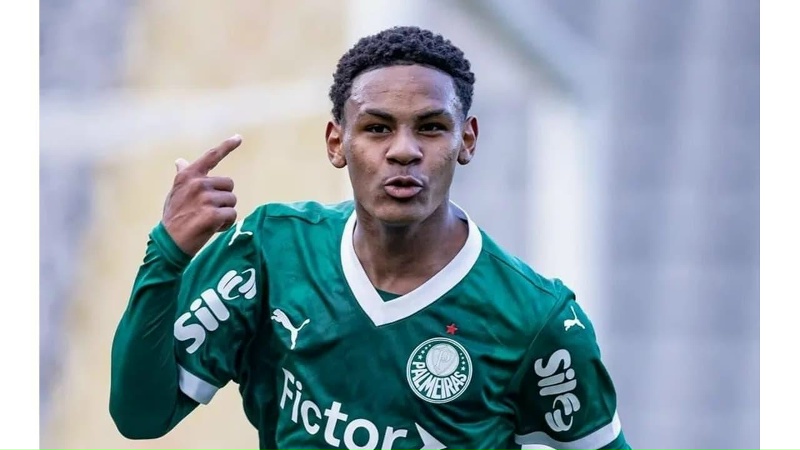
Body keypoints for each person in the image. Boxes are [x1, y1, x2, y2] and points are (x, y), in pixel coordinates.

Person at [109, 25, 631, 450]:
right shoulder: (270, 252)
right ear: (337, 142)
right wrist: (168, 254)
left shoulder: (535, 318)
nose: (404, 150)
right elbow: (140, 417)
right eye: (377, 128)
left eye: (430, 127)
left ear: (466, 140)